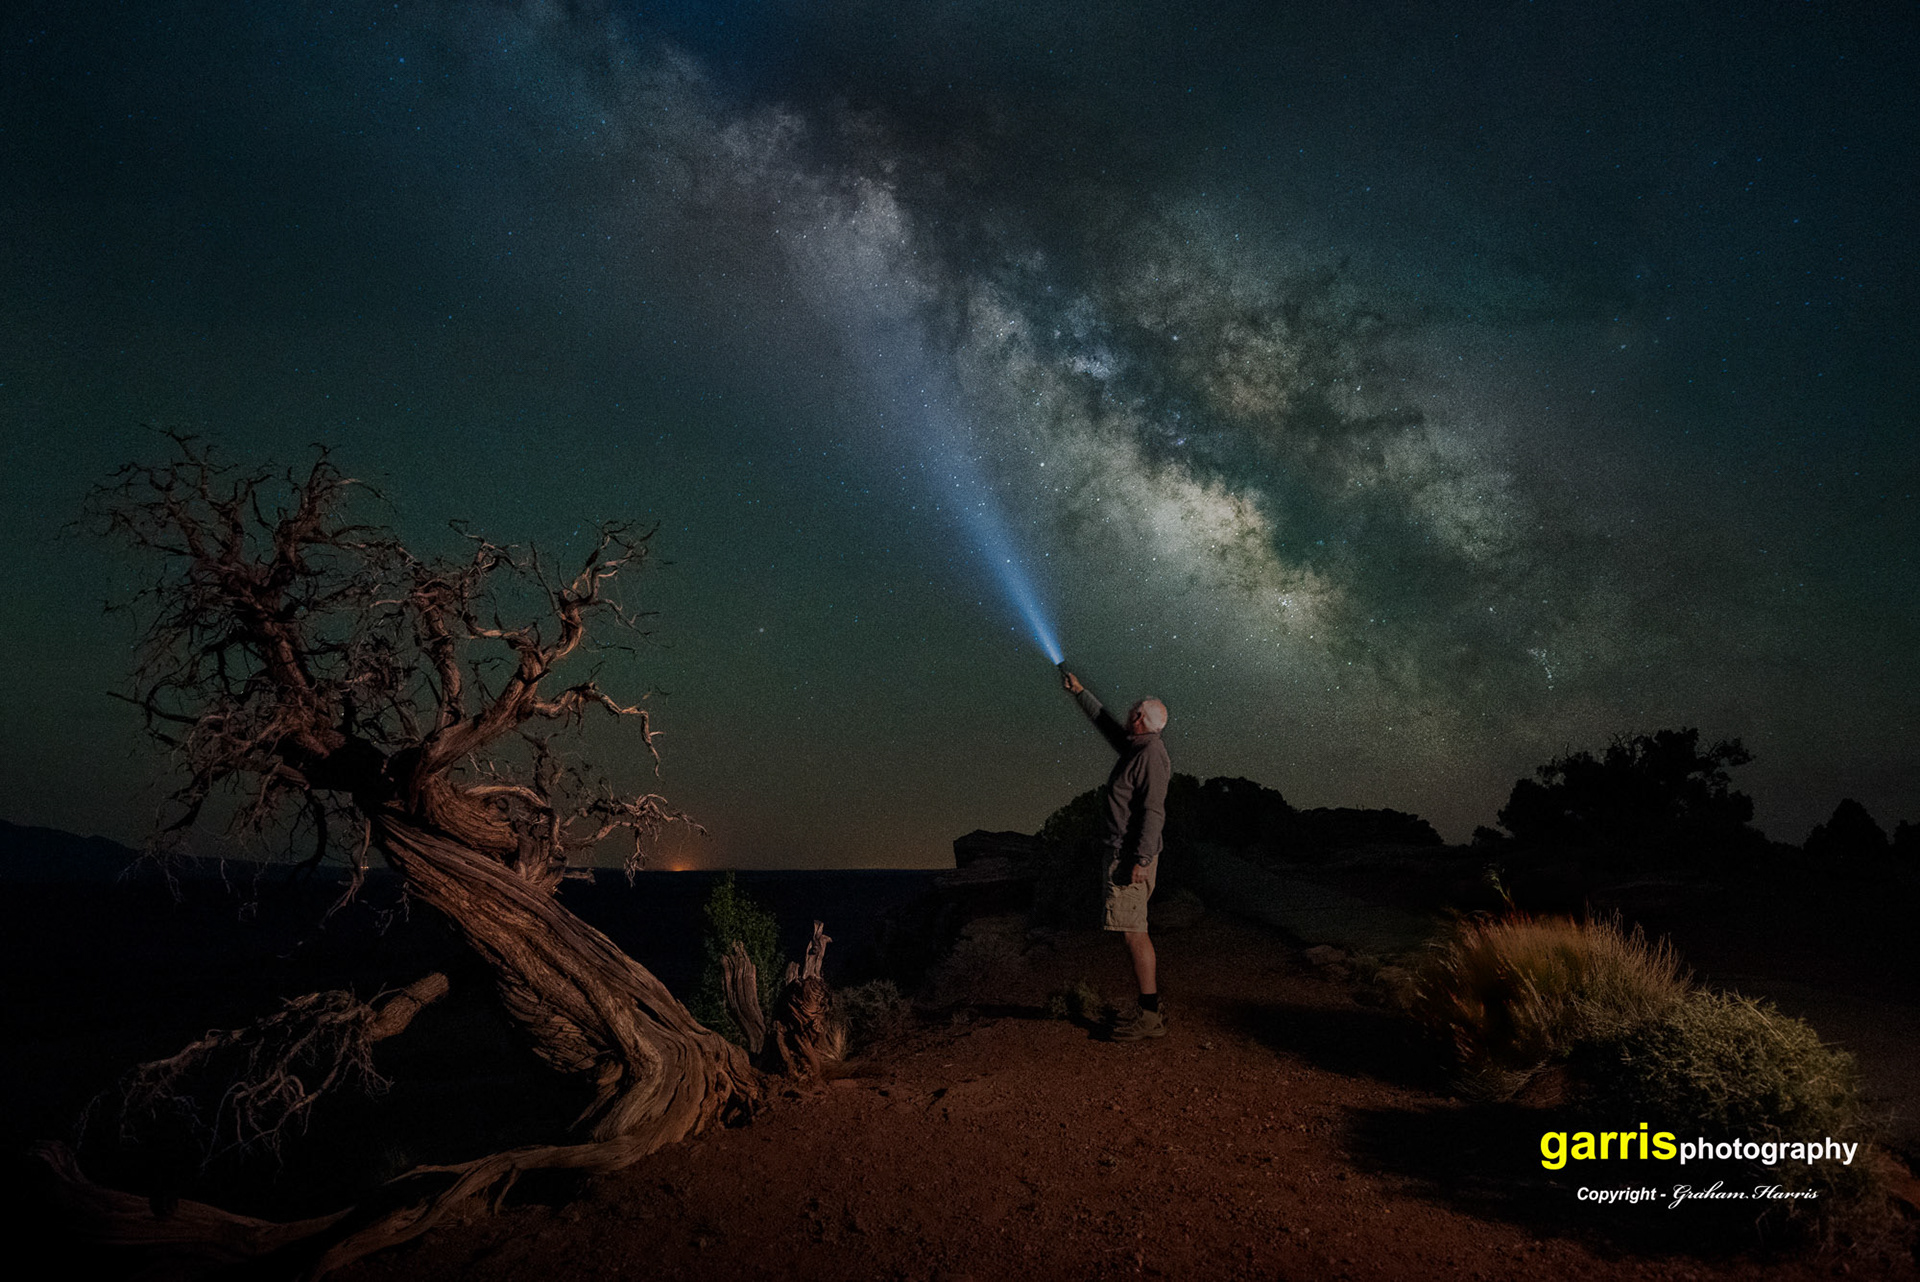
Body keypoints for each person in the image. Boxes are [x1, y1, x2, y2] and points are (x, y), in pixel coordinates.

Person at [1060, 669, 1171, 1040]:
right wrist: (1081, 693)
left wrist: (1139, 860)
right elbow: (1108, 727)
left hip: (1129, 857)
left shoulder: (1150, 754)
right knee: (1133, 931)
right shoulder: (1138, 746)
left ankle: (1150, 1017)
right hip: (1127, 853)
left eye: (1132, 711)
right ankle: (1151, 1009)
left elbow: (1154, 811)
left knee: (1134, 934)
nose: (1127, 714)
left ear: (1139, 718)